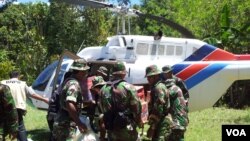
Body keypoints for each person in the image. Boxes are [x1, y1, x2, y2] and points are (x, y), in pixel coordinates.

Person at [0, 70, 49, 141]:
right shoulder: (22, 83)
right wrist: (44, 99)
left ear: (9, 76)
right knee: (20, 127)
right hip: (17, 108)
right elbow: (32, 94)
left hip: (4, 108)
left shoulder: (2, 82)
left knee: (3, 125)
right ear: (18, 76)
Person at [52, 59, 91, 141]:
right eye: (85, 71)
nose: (86, 74)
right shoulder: (74, 84)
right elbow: (69, 104)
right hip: (66, 125)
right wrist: (79, 123)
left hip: (61, 121)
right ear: (80, 71)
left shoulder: (68, 81)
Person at [109, 61, 142, 141]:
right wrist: (138, 120)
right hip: (126, 127)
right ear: (123, 74)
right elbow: (136, 107)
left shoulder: (104, 88)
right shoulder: (129, 87)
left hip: (110, 126)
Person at [145, 65, 172, 141]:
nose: (148, 79)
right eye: (147, 77)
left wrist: (152, 127)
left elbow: (158, 110)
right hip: (160, 121)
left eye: (150, 77)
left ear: (156, 76)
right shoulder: (159, 86)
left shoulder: (158, 88)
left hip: (161, 122)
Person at [90, 76, 110, 141]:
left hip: (109, 113)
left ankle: (102, 138)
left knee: (101, 120)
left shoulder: (101, 93)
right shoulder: (108, 89)